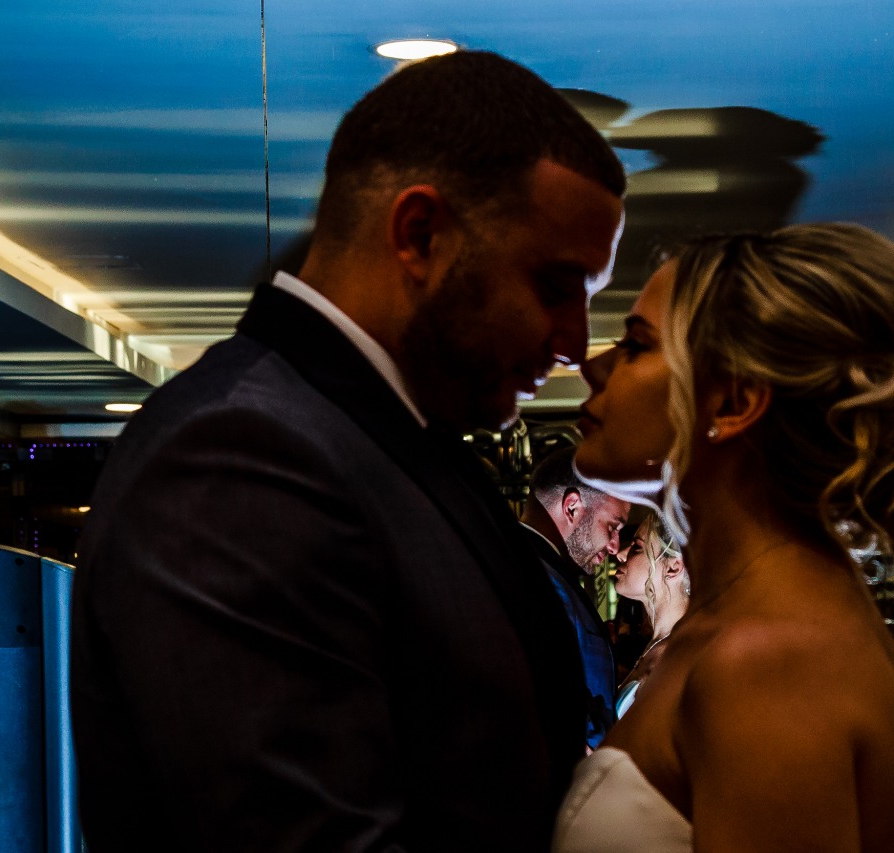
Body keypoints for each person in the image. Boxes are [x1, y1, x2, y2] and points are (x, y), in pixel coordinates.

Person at [71, 51, 626, 852]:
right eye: (556, 285)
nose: (575, 343)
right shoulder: (237, 457)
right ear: (420, 234)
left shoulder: (383, 437)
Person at [554, 223, 894, 852]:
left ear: (733, 402)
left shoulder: (771, 662)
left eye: (635, 345)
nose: (590, 364)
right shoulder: (755, 628)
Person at [521, 446, 631, 751]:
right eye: (612, 527)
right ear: (572, 508)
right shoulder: (530, 577)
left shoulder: (546, 571)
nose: (614, 546)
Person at [613, 511, 690, 718]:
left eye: (637, 547)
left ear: (673, 568)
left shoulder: (681, 655)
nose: (621, 554)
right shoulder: (657, 643)